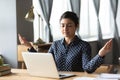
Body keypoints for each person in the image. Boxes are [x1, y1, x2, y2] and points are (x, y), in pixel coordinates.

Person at [18, 11, 112, 73]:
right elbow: (45, 62)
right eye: (62, 25)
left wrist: (100, 54)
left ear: (76, 26)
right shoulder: (55, 44)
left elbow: (87, 68)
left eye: (69, 25)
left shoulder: (84, 46)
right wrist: (29, 46)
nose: (65, 29)